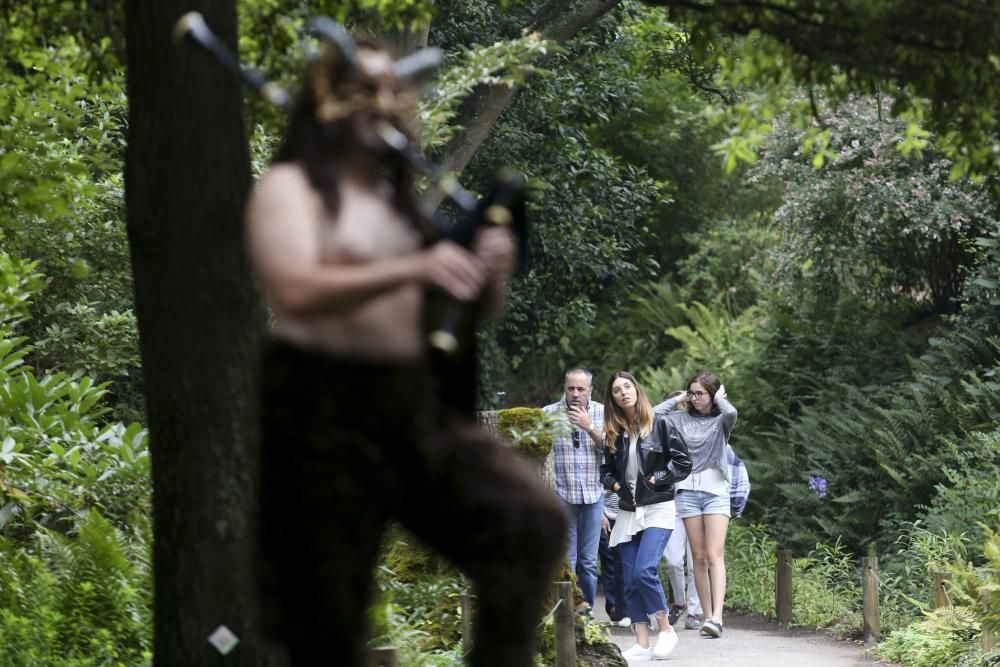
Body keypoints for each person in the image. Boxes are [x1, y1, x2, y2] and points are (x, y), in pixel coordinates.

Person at [247, 33, 566, 666]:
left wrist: (490, 270)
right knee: (325, 626)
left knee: (528, 526)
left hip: (412, 408)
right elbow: (296, 288)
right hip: (318, 412)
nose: (384, 103)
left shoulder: (399, 208)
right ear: (327, 97)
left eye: (396, 92)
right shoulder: (291, 188)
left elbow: (461, 306)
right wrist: (414, 267)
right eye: (364, 88)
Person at [601, 371, 690, 661]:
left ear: (637, 391)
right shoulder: (613, 431)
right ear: (612, 398)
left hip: (658, 507)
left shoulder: (661, 423)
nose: (623, 392)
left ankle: (665, 629)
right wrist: (614, 485)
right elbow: (606, 471)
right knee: (630, 578)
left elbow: (683, 462)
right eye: (617, 390)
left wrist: (655, 479)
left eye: (627, 386)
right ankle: (641, 643)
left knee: (644, 570)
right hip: (628, 511)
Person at [654, 372, 738, 639]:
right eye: (692, 393)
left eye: (700, 393)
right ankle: (706, 616)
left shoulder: (721, 420)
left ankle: (718, 617)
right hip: (687, 491)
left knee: (714, 555)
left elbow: (732, 413)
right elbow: (652, 415)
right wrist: (679, 397)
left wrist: (719, 398)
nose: (694, 397)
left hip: (715, 492)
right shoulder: (678, 418)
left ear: (712, 394)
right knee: (698, 558)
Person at [664, 445, 751, 631]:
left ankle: (703, 615)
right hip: (678, 500)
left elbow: (735, 466)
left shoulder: (718, 431)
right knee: (675, 560)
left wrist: (736, 502)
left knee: (706, 557)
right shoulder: (675, 430)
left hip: (713, 497)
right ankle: (680, 603)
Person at [542, 367, 605, 610]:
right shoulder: (548, 414)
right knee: (567, 559)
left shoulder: (603, 412)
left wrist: (589, 427)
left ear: (590, 390)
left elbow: (611, 450)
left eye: (581, 389)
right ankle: (567, 611)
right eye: (571, 388)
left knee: (589, 561)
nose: (576, 393)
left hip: (593, 494)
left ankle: (586, 610)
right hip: (562, 495)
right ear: (564, 389)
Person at [598, 488, 629, 626]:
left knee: (625, 561)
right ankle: (614, 607)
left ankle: (625, 609)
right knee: (609, 560)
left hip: (628, 513)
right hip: (606, 513)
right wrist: (600, 513)